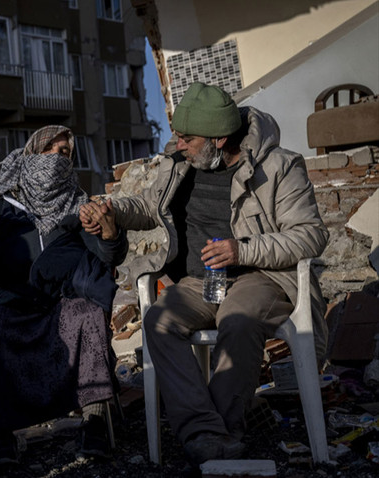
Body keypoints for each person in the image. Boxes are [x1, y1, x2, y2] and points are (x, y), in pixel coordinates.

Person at [82, 82, 329, 466]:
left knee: (239, 319)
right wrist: (111, 209)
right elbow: (148, 207)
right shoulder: (181, 165)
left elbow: (311, 235)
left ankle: (222, 434)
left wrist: (241, 249)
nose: (177, 144)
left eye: (186, 138)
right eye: (176, 136)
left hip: (260, 276)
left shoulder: (280, 166)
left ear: (219, 138)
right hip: (200, 281)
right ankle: (205, 432)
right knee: (158, 322)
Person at [0, 125, 128, 475]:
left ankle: (95, 418)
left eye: (65, 153)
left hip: (55, 304)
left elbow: (107, 256)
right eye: (50, 148)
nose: (57, 157)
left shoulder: (80, 206)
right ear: (31, 153)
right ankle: (2, 434)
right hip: (6, 302)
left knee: (88, 310)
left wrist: (110, 233)